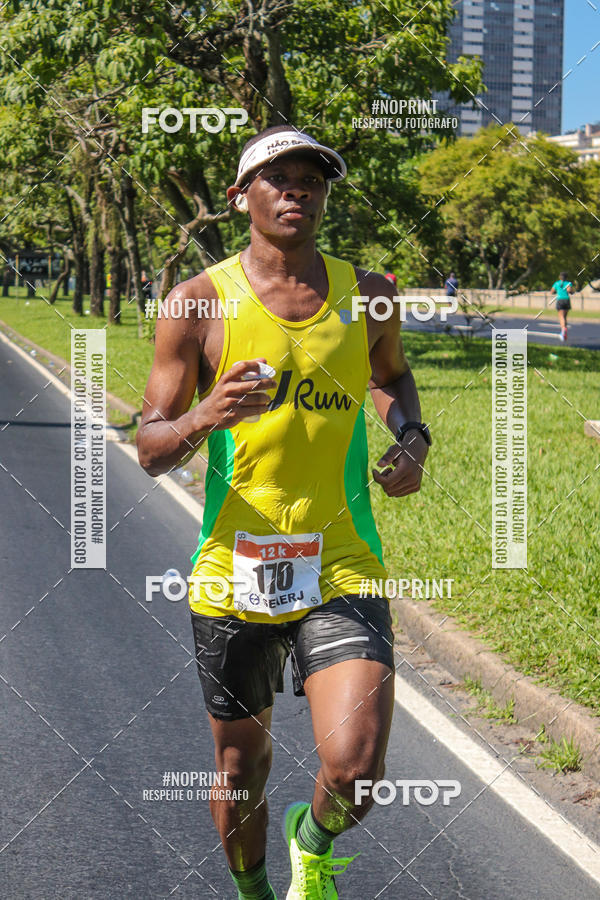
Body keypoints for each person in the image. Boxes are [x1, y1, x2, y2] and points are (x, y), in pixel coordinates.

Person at [136, 125, 430, 900]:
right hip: (236, 571)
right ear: (241, 199)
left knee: (356, 771)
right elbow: (149, 445)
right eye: (277, 178)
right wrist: (206, 418)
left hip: (343, 563)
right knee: (241, 771)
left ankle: (316, 842)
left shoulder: (371, 292)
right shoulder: (196, 303)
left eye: (311, 179)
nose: (296, 189)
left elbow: (390, 377)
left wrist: (414, 439)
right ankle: (256, 893)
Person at [550, 271, 574, 341]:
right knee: (565, 316)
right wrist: (572, 292)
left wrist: (557, 291)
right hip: (566, 300)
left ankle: (563, 330)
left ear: (560, 277)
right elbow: (570, 291)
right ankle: (564, 332)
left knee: (561, 316)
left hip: (560, 300)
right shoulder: (568, 283)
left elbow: (551, 292)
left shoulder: (556, 283)